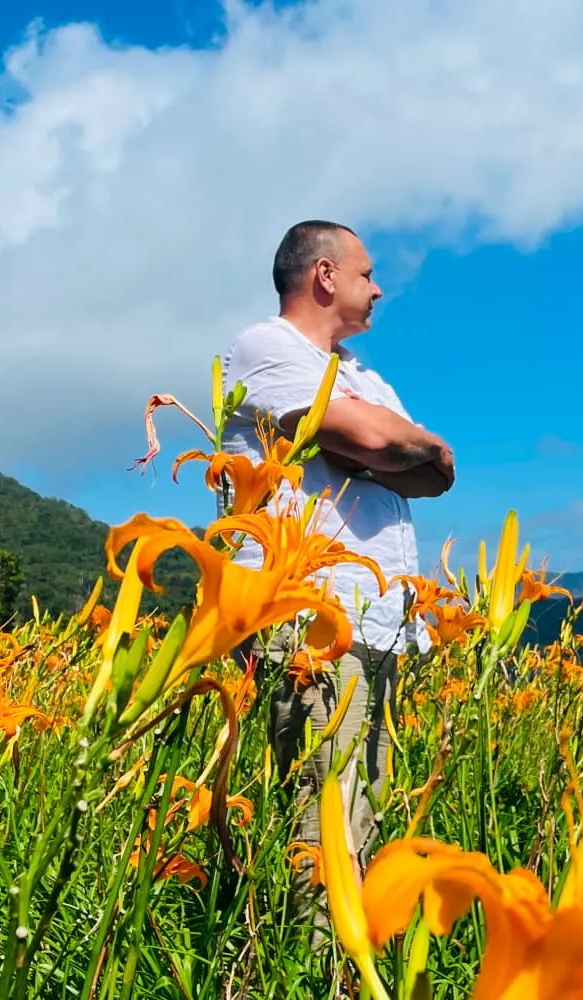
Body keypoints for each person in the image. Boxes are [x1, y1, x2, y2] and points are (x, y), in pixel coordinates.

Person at [219, 220, 455, 901]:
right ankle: (310, 969)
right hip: (314, 619)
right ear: (324, 275)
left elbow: (435, 472)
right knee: (322, 820)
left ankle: (346, 969)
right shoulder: (268, 346)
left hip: (379, 623)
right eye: (366, 274)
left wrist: (391, 447)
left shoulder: (365, 377)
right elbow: (381, 443)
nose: (378, 289)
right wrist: (383, 446)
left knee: (366, 811)